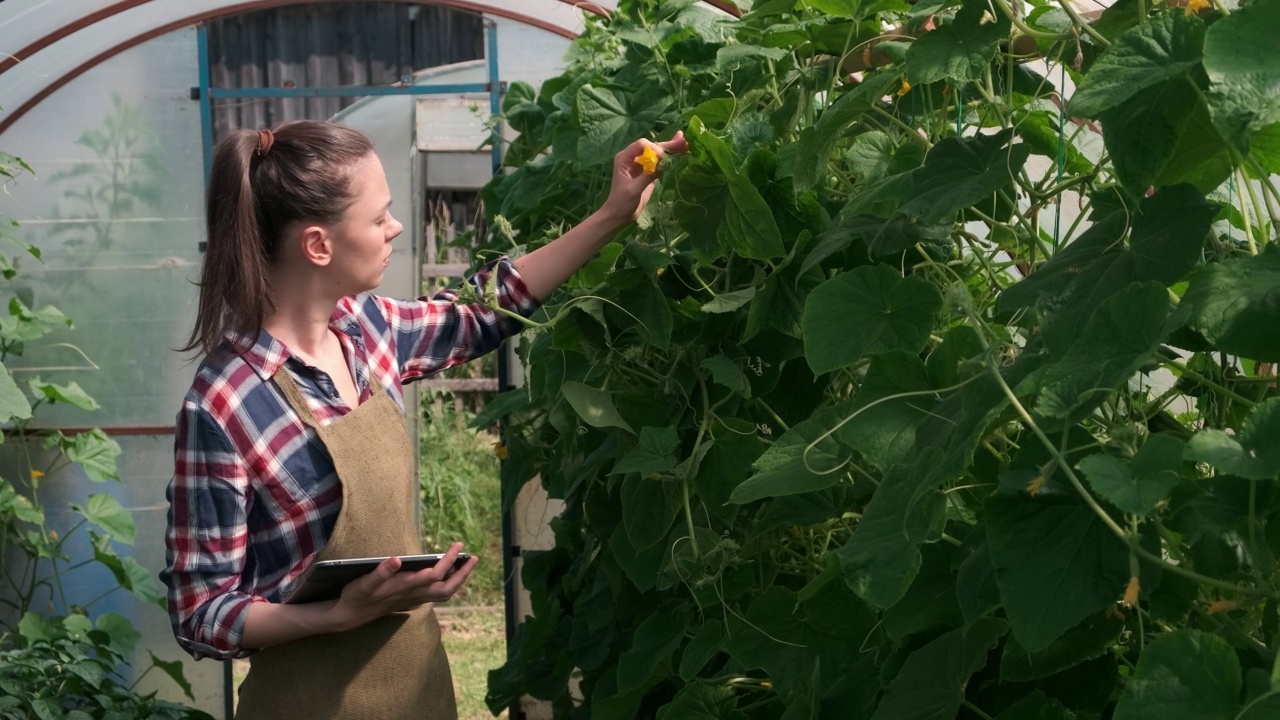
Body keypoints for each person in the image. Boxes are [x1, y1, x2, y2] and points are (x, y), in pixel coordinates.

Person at [161, 119, 687, 719]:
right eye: (379, 217)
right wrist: (336, 613)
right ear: (318, 245)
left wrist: (613, 214)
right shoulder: (226, 403)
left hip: (418, 689)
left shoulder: (367, 330)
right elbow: (200, 611)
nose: (396, 227)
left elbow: (490, 308)